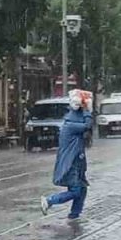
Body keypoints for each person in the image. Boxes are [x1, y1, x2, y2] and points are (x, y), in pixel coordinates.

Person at [40, 91, 93, 221]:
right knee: (76, 190)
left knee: (82, 189)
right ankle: (50, 200)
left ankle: (74, 215)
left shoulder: (71, 122)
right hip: (71, 162)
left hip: (77, 161)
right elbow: (87, 125)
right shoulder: (70, 125)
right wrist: (87, 110)